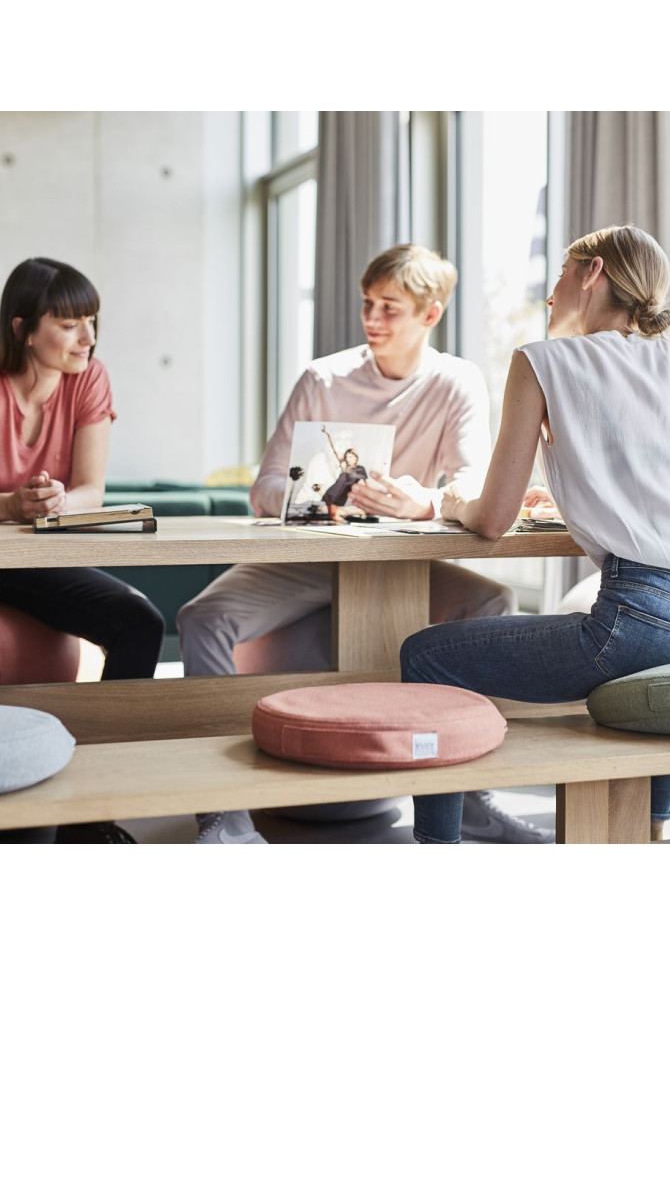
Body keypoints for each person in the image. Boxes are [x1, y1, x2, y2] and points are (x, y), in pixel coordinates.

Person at [401, 224, 670, 844]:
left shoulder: (542, 361)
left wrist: (452, 502)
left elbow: (493, 519)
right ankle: (649, 837)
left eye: (560, 274)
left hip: (655, 623)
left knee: (426, 656)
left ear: (592, 273)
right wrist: (572, 498)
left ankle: (437, 849)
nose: (550, 292)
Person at [178, 244, 548, 845]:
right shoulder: (323, 378)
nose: (372, 319)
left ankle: (468, 802)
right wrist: (318, 497)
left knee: (493, 602)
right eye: (367, 304)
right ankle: (225, 816)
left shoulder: (456, 381)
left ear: (430, 314)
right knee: (202, 618)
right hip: (310, 555)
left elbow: (473, 484)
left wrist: (421, 503)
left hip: (399, 564)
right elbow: (263, 487)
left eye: (389, 308)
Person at [0, 256, 165, 844]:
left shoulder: (90, 378)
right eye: (70, 324)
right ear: (23, 328)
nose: (88, 337)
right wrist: (11, 505)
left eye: (92, 321)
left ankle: (90, 816)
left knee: (140, 622)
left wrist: (56, 504)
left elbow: (90, 490)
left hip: (34, 559)